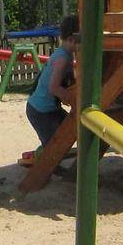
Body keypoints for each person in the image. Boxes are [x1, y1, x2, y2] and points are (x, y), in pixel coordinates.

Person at [22, 16, 81, 161]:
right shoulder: (62, 59)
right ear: (72, 39)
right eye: (82, 41)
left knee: (70, 130)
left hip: (50, 109)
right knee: (53, 147)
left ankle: (43, 153)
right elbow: (54, 88)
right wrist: (72, 101)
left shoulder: (65, 55)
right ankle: (40, 157)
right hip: (40, 111)